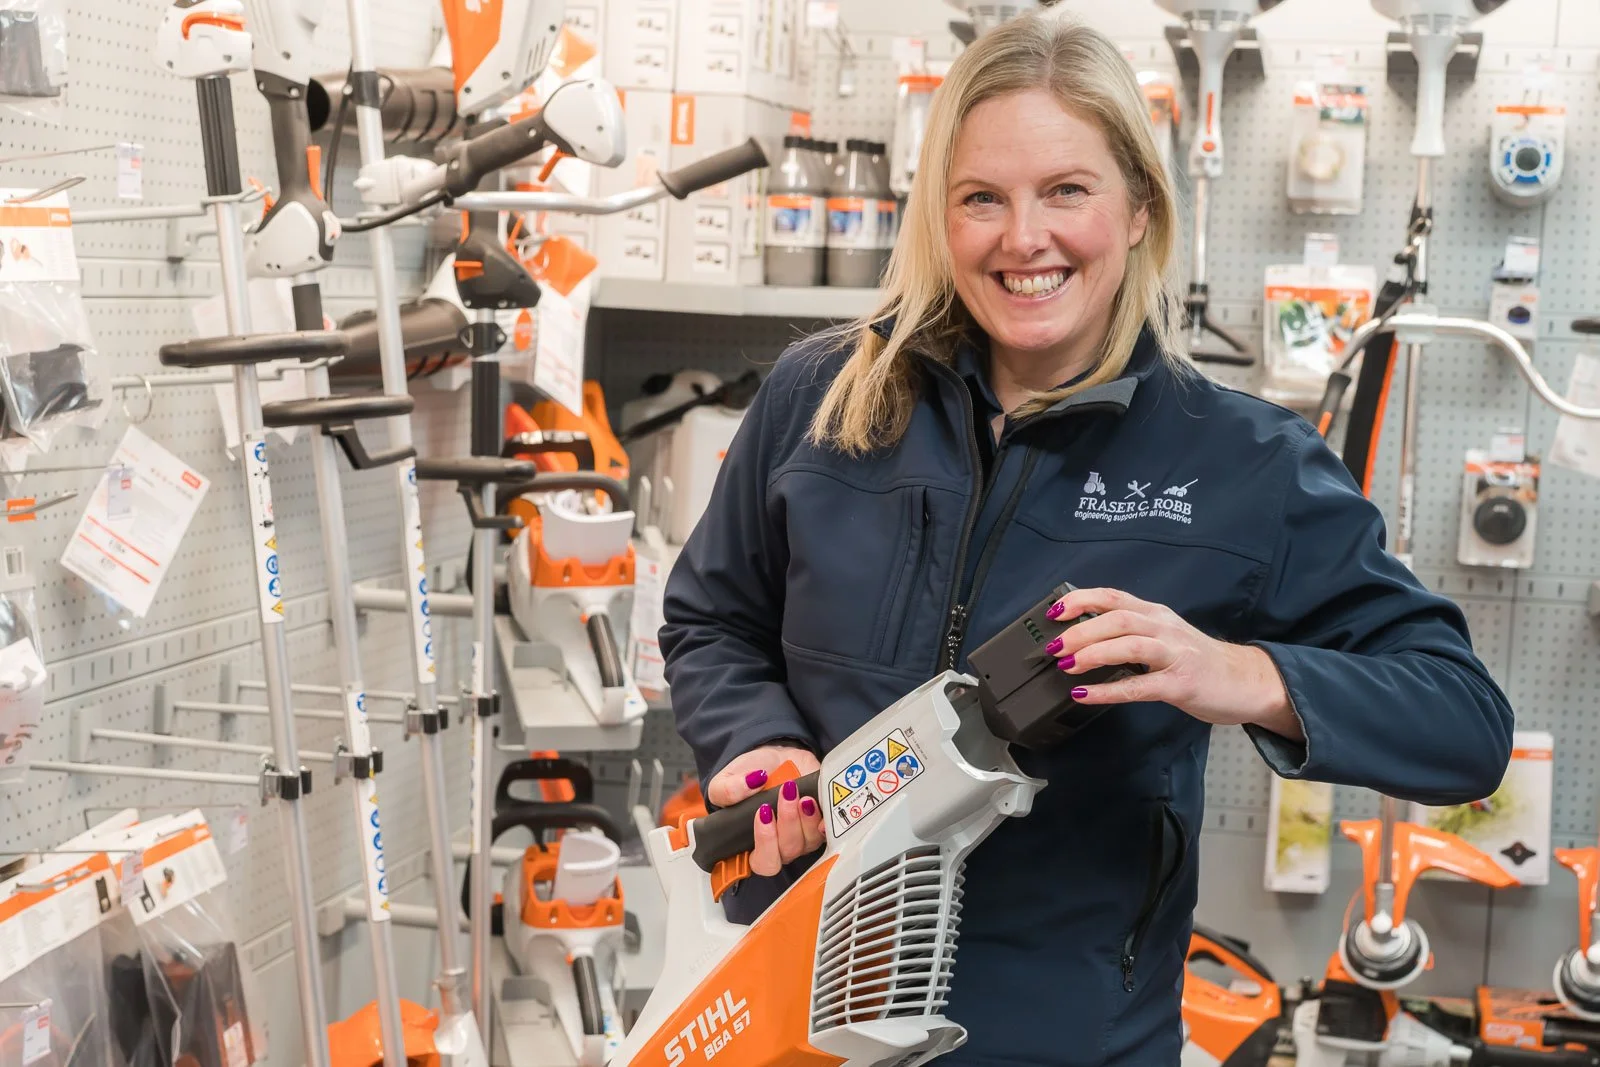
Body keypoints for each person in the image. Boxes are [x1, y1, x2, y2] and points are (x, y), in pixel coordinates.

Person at [657, 10, 1514, 1066]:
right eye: (982, 198)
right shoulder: (824, 397)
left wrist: (1236, 672)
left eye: (1066, 190)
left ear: (1141, 210)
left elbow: (1464, 722)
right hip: (790, 1020)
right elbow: (711, 616)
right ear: (940, 215)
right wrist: (754, 741)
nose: (1024, 239)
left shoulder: (1246, 462)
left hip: (1066, 1037)